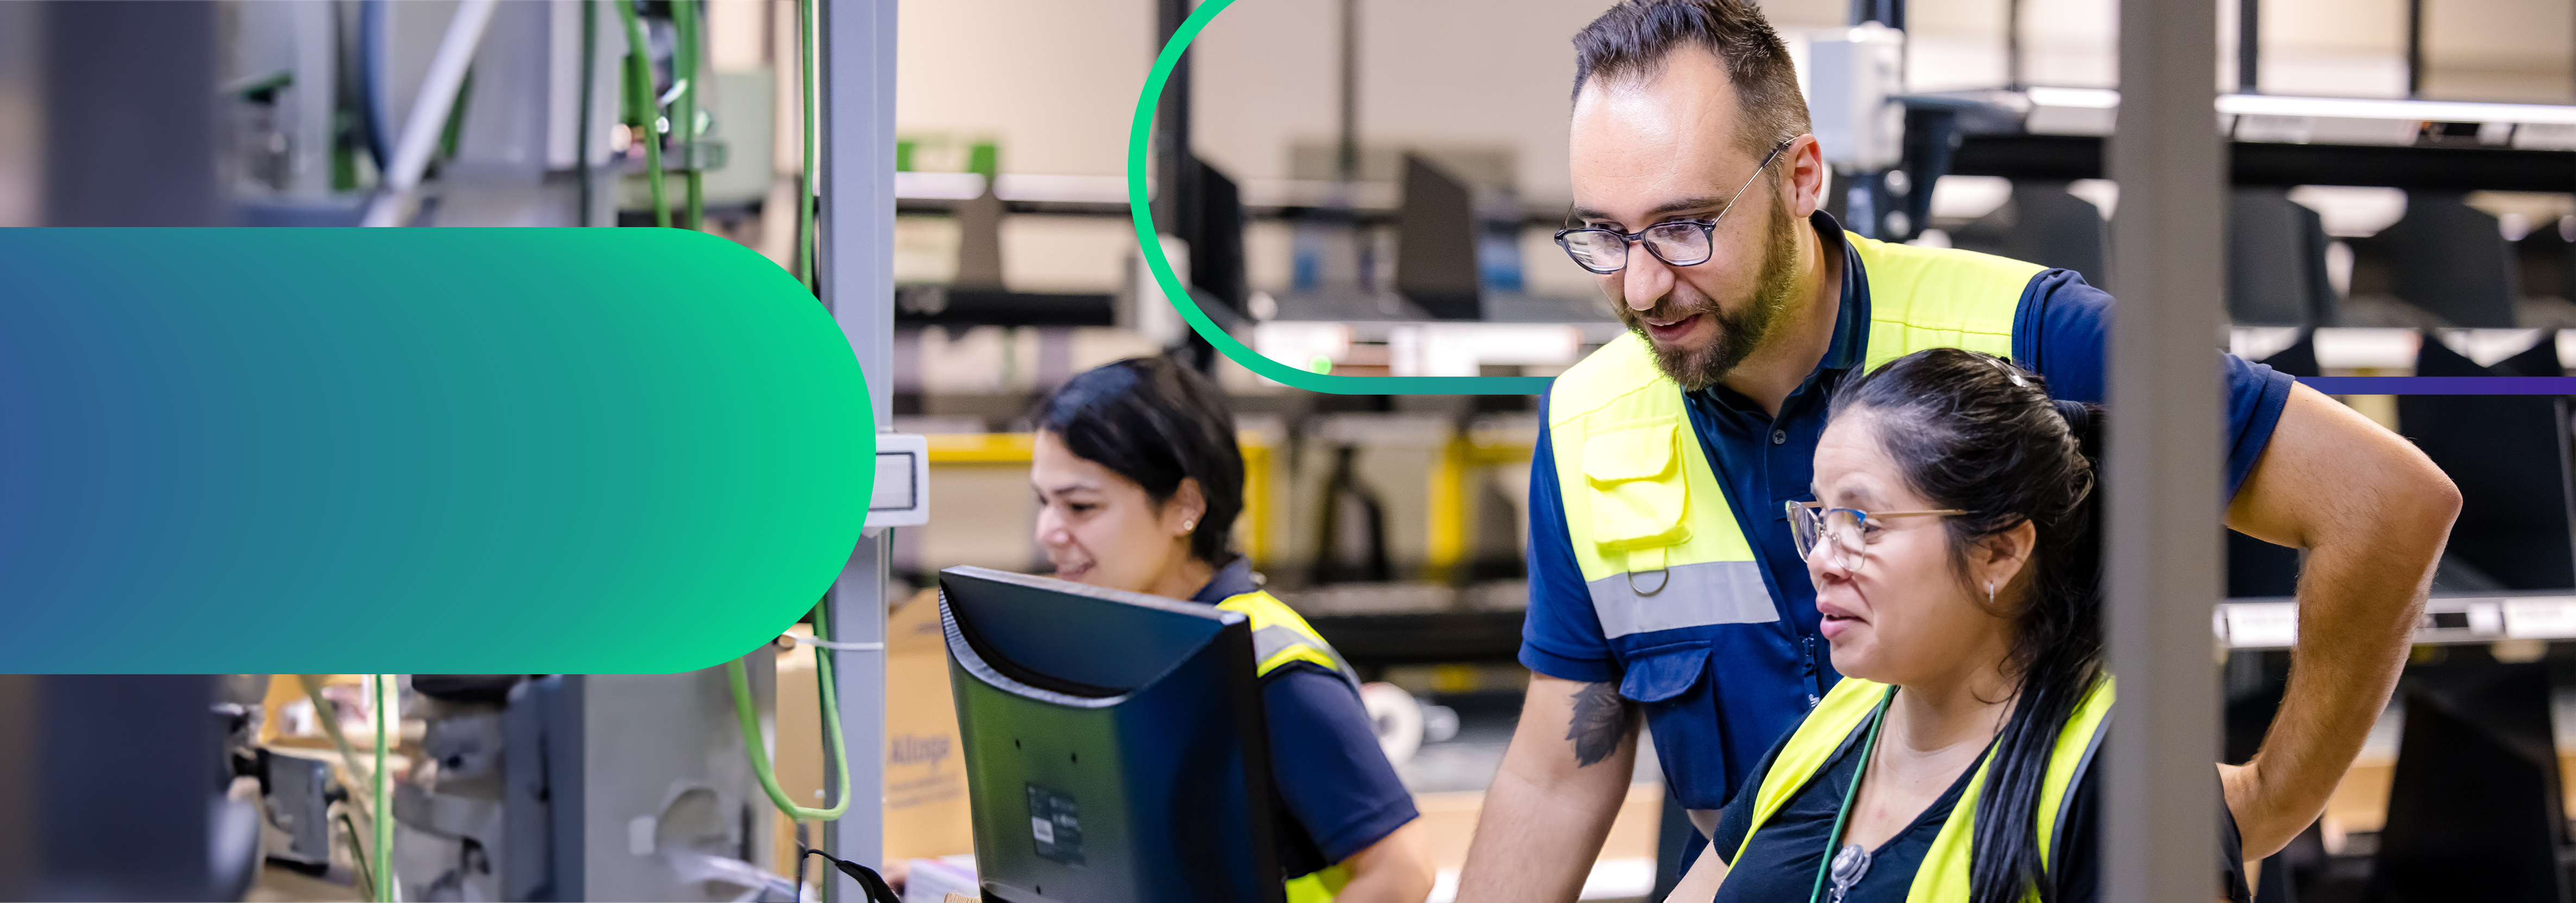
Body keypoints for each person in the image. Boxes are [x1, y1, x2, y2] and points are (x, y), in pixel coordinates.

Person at [1452, 2, 2460, 900]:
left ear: (1803, 175)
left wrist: (2265, 802)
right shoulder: (1589, 423)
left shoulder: (2033, 339)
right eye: (1603, 236)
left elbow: (2381, 504)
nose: (1638, 288)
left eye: (1680, 227)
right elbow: (1556, 767)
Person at [1660, 348, 2246, 902]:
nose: (1820, 559)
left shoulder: (2131, 780)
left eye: (1864, 523)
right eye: (1821, 516)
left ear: (1999, 551)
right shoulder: (1841, 721)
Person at [1028, 357, 1434, 903]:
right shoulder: (1129, 641)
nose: (1048, 532)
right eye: (1043, 501)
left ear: (1184, 506)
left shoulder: (1272, 668)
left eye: (1080, 505)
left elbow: (1404, 872)